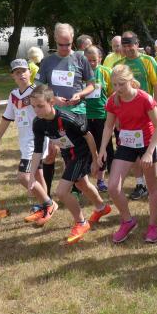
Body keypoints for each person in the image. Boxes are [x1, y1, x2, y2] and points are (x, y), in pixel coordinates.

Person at [29, 85, 111, 244]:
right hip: (68, 153)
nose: (36, 110)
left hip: (81, 153)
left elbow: (88, 136)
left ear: (52, 102)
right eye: (33, 107)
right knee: (82, 184)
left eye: (40, 106)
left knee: (61, 192)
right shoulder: (38, 123)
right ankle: (102, 208)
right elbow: (37, 151)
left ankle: (81, 222)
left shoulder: (67, 118)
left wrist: (95, 160)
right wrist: (32, 175)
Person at [98, 65, 157, 244]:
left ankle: (152, 226)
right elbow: (108, 126)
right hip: (126, 144)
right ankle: (128, 221)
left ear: (130, 81)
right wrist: (102, 149)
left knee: (152, 186)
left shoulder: (144, 98)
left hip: (147, 144)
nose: (117, 88)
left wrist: (149, 152)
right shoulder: (113, 100)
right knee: (113, 187)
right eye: (114, 84)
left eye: (121, 84)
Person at [34, 23, 95, 195]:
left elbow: (92, 85)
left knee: (75, 151)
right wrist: (53, 99)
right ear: (55, 40)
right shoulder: (47, 62)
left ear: (72, 40)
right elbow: (38, 89)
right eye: (61, 44)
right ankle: (48, 195)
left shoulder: (80, 58)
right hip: (55, 114)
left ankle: (76, 187)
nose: (64, 48)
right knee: (53, 153)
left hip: (77, 112)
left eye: (68, 44)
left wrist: (80, 94)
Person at [0, 59, 53, 224]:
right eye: (17, 72)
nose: (21, 75)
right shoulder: (13, 95)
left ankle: (49, 204)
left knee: (23, 176)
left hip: (37, 140)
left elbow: (50, 114)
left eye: (24, 71)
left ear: (30, 72)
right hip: (25, 141)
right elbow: (7, 117)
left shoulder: (37, 92)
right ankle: (43, 208)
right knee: (38, 174)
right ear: (13, 76)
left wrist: (54, 139)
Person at [115, 31, 157, 201]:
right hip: (127, 117)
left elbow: (156, 86)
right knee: (133, 149)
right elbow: (115, 93)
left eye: (130, 45)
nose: (127, 48)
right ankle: (140, 184)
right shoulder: (119, 64)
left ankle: (151, 185)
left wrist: (156, 110)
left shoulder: (148, 61)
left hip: (147, 114)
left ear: (137, 44)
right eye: (124, 45)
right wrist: (118, 117)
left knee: (148, 150)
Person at [83, 46, 114, 193]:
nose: (91, 63)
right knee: (86, 148)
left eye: (94, 60)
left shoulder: (106, 72)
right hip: (84, 115)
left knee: (104, 147)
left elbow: (113, 94)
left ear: (100, 59)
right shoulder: (80, 73)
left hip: (102, 115)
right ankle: (84, 182)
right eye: (88, 60)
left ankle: (101, 180)